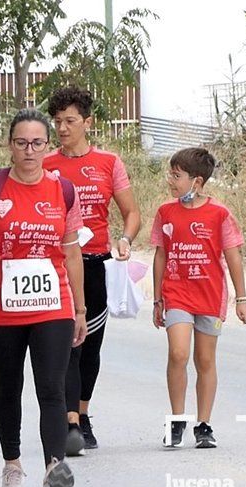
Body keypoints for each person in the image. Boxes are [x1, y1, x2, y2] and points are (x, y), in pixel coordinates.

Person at [0, 108, 87, 487]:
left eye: (37, 143)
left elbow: (72, 254)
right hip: (1, 307)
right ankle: (12, 465)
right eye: (21, 143)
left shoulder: (64, 190)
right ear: (9, 145)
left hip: (52, 304)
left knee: (51, 387)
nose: (29, 151)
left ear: (49, 146)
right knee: (9, 386)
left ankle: (54, 468)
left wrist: (79, 310)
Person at [43, 87, 141, 455]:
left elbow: (132, 212)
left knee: (90, 346)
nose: (63, 128)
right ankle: (68, 421)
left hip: (95, 262)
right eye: (58, 122)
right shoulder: (47, 164)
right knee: (66, 343)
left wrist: (125, 239)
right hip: (56, 265)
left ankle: (83, 414)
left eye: (70, 121)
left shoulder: (108, 162)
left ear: (88, 122)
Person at [151, 148, 246, 449]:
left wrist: (242, 298)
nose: (171, 180)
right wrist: (158, 299)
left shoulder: (219, 214)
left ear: (197, 181)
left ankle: (204, 425)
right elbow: (160, 254)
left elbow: (233, 256)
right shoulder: (165, 212)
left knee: (205, 359)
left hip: (210, 295)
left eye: (177, 175)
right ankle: (176, 421)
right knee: (178, 353)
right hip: (177, 293)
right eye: (170, 173)